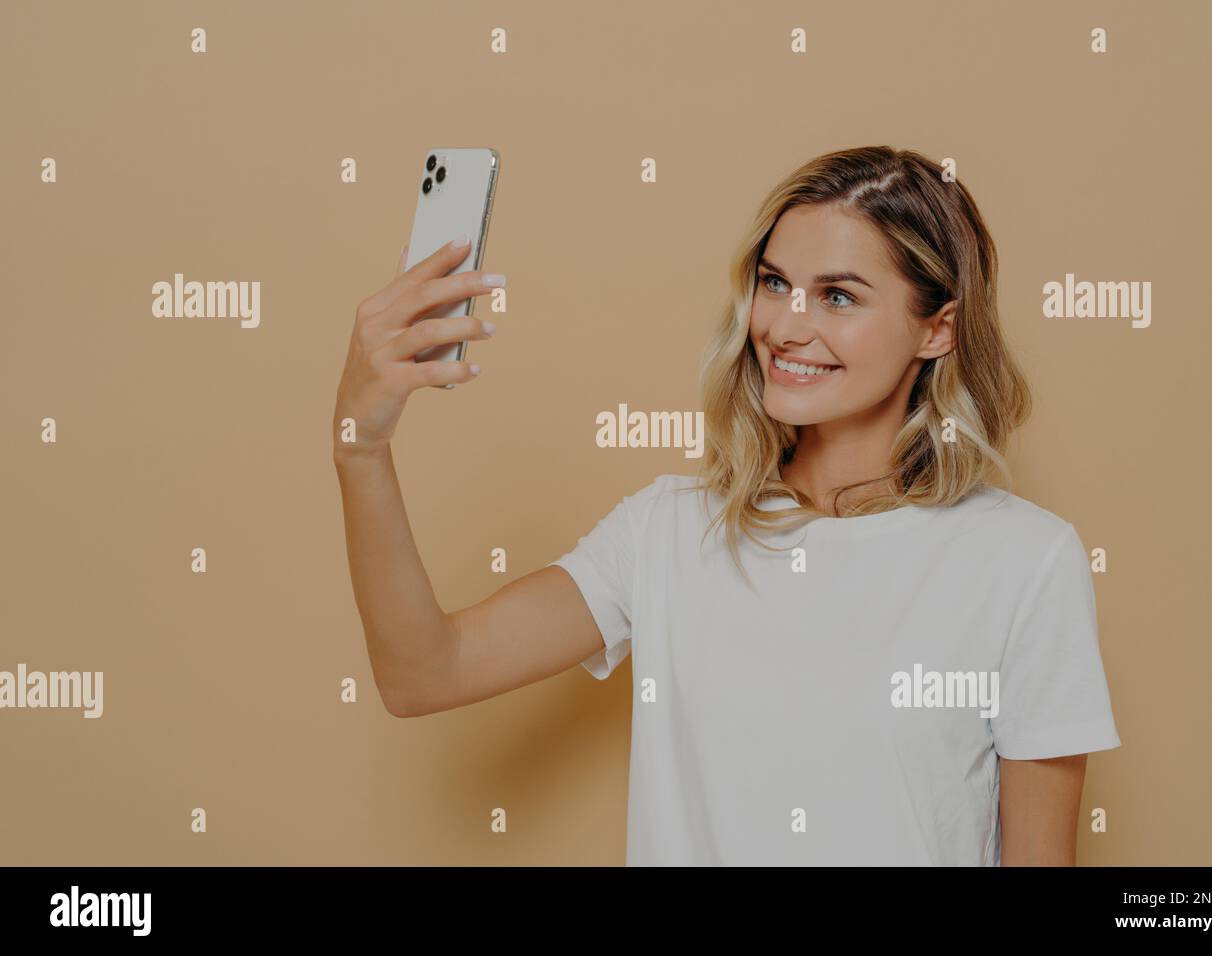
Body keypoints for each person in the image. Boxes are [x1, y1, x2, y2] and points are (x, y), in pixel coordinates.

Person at [332, 145, 1122, 867]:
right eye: (774, 283)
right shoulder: (669, 531)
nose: (785, 325)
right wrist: (360, 450)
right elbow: (422, 675)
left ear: (937, 330)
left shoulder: (1024, 561)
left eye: (838, 296)